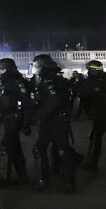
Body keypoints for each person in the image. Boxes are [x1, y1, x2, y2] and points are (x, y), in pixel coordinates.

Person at [31, 54, 78, 192]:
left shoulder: (48, 81)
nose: (36, 69)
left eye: (37, 66)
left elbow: (54, 100)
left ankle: (44, 181)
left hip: (52, 120)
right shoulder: (58, 79)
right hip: (59, 119)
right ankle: (68, 183)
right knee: (61, 149)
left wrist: (39, 114)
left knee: (44, 149)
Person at [0, 58, 33, 186]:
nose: (0, 72)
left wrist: (26, 122)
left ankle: (6, 179)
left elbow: (25, 101)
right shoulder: (3, 81)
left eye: (3, 69)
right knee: (14, 147)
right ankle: (22, 176)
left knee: (7, 146)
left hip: (15, 117)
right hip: (8, 117)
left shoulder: (16, 81)